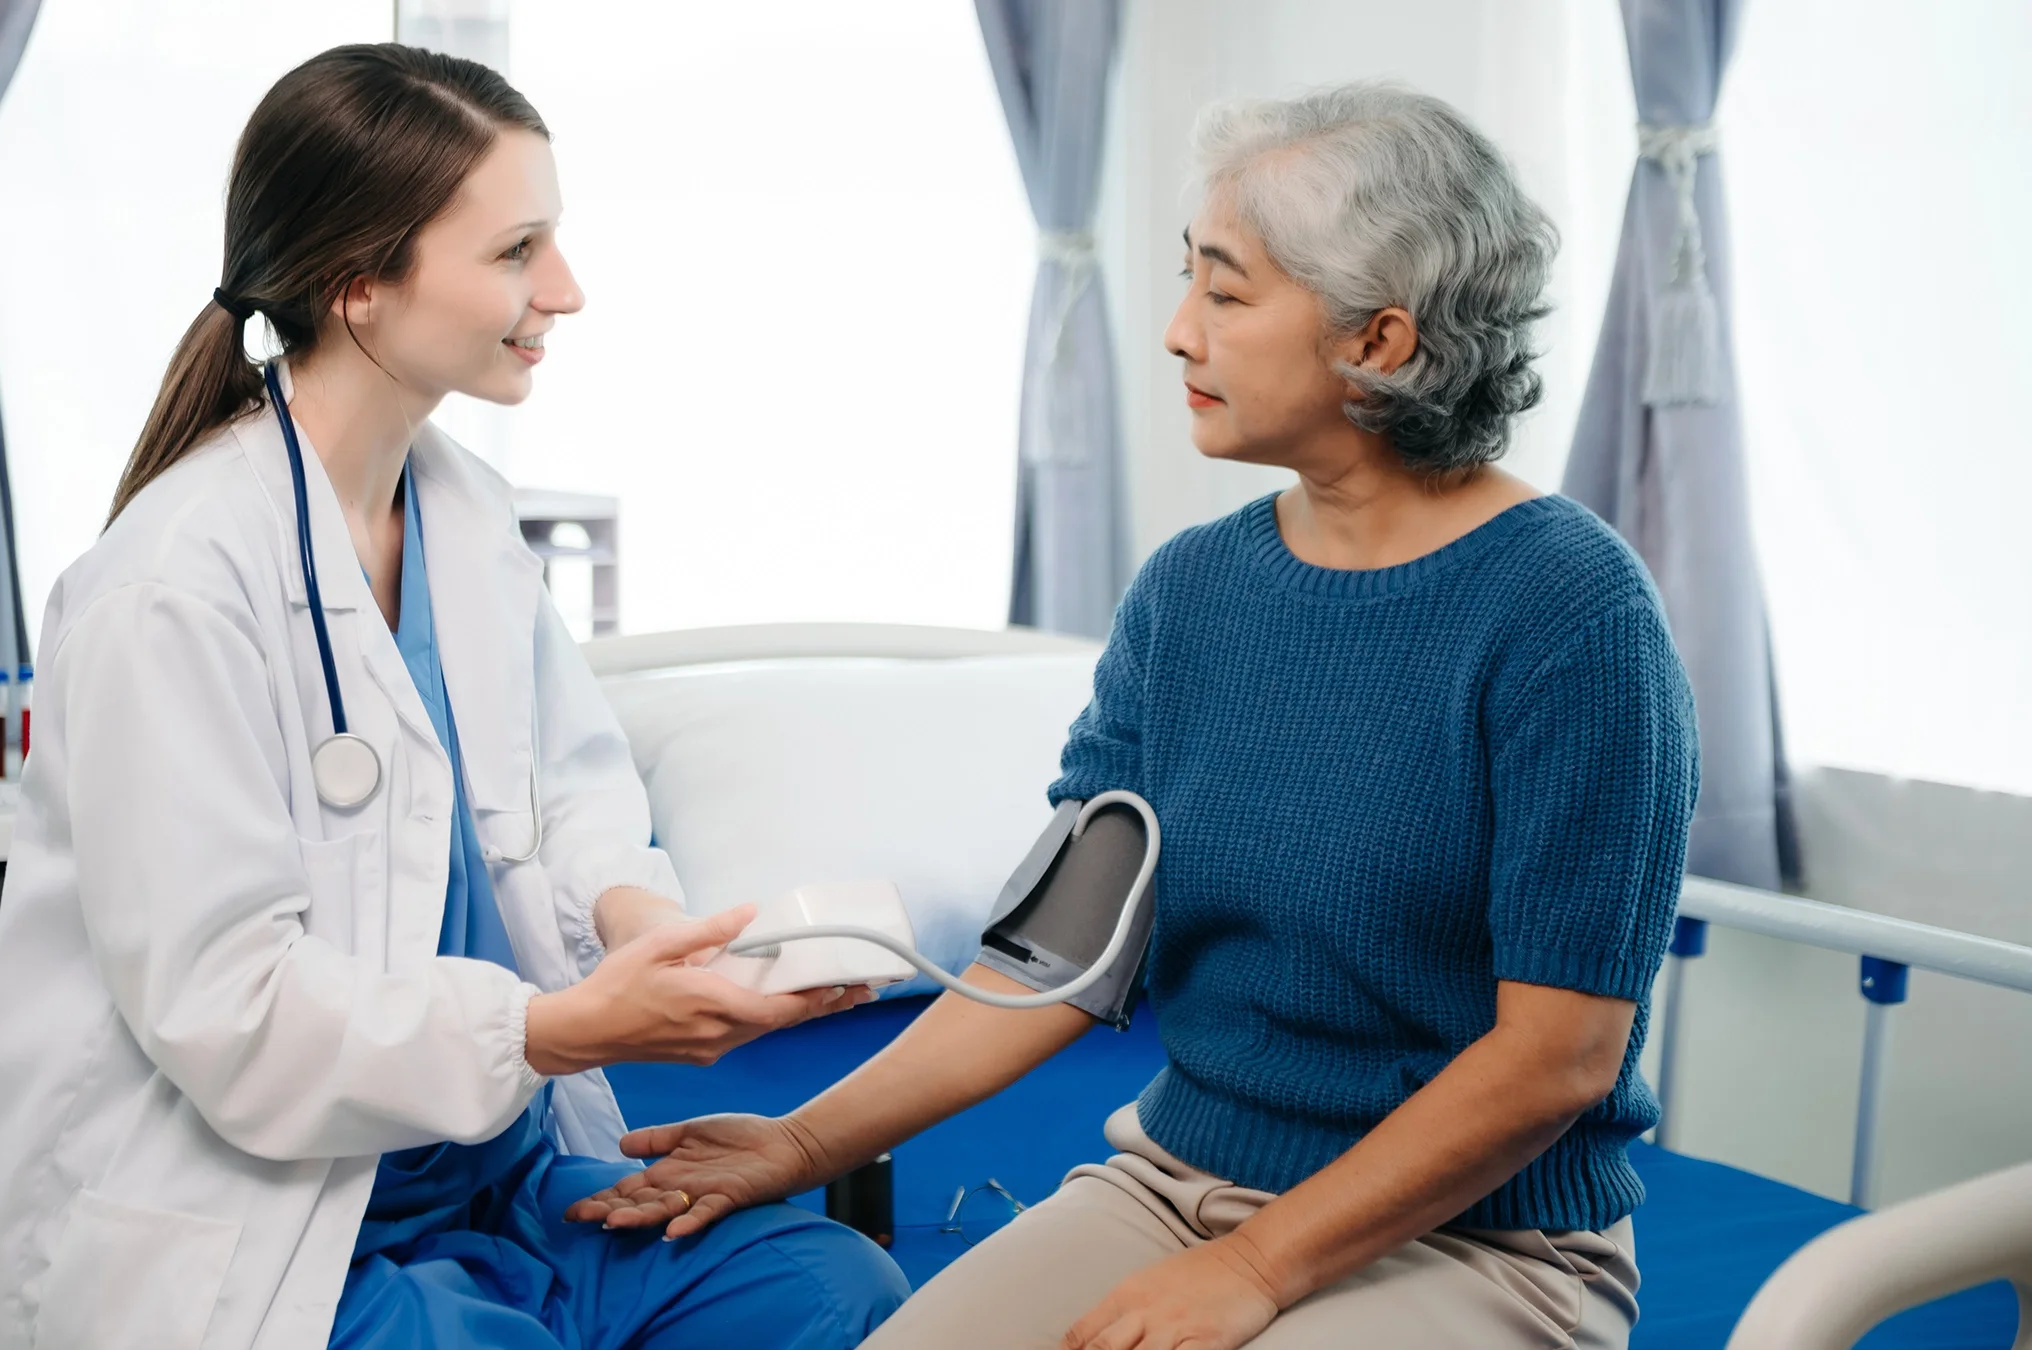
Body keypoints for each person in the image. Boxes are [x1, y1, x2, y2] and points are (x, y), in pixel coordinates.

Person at [571, 83, 1700, 1350]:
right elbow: (1060, 955)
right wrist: (801, 1139)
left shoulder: (1571, 613)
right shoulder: (1192, 592)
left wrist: (1260, 1271)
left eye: (1225, 291)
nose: (1177, 331)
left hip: (1480, 1242)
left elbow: (1556, 1059)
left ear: (1377, 343)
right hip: (1172, 1188)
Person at [0, 45, 905, 1350]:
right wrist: (555, 1024)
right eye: (519, 250)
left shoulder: (465, 521)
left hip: (498, 1179)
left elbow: (568, 801)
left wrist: (660, 934)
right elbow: (229, 1006)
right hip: (279, 1228)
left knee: (830, 1289)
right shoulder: (170, 588)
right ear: (361, 287)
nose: (564, 290)